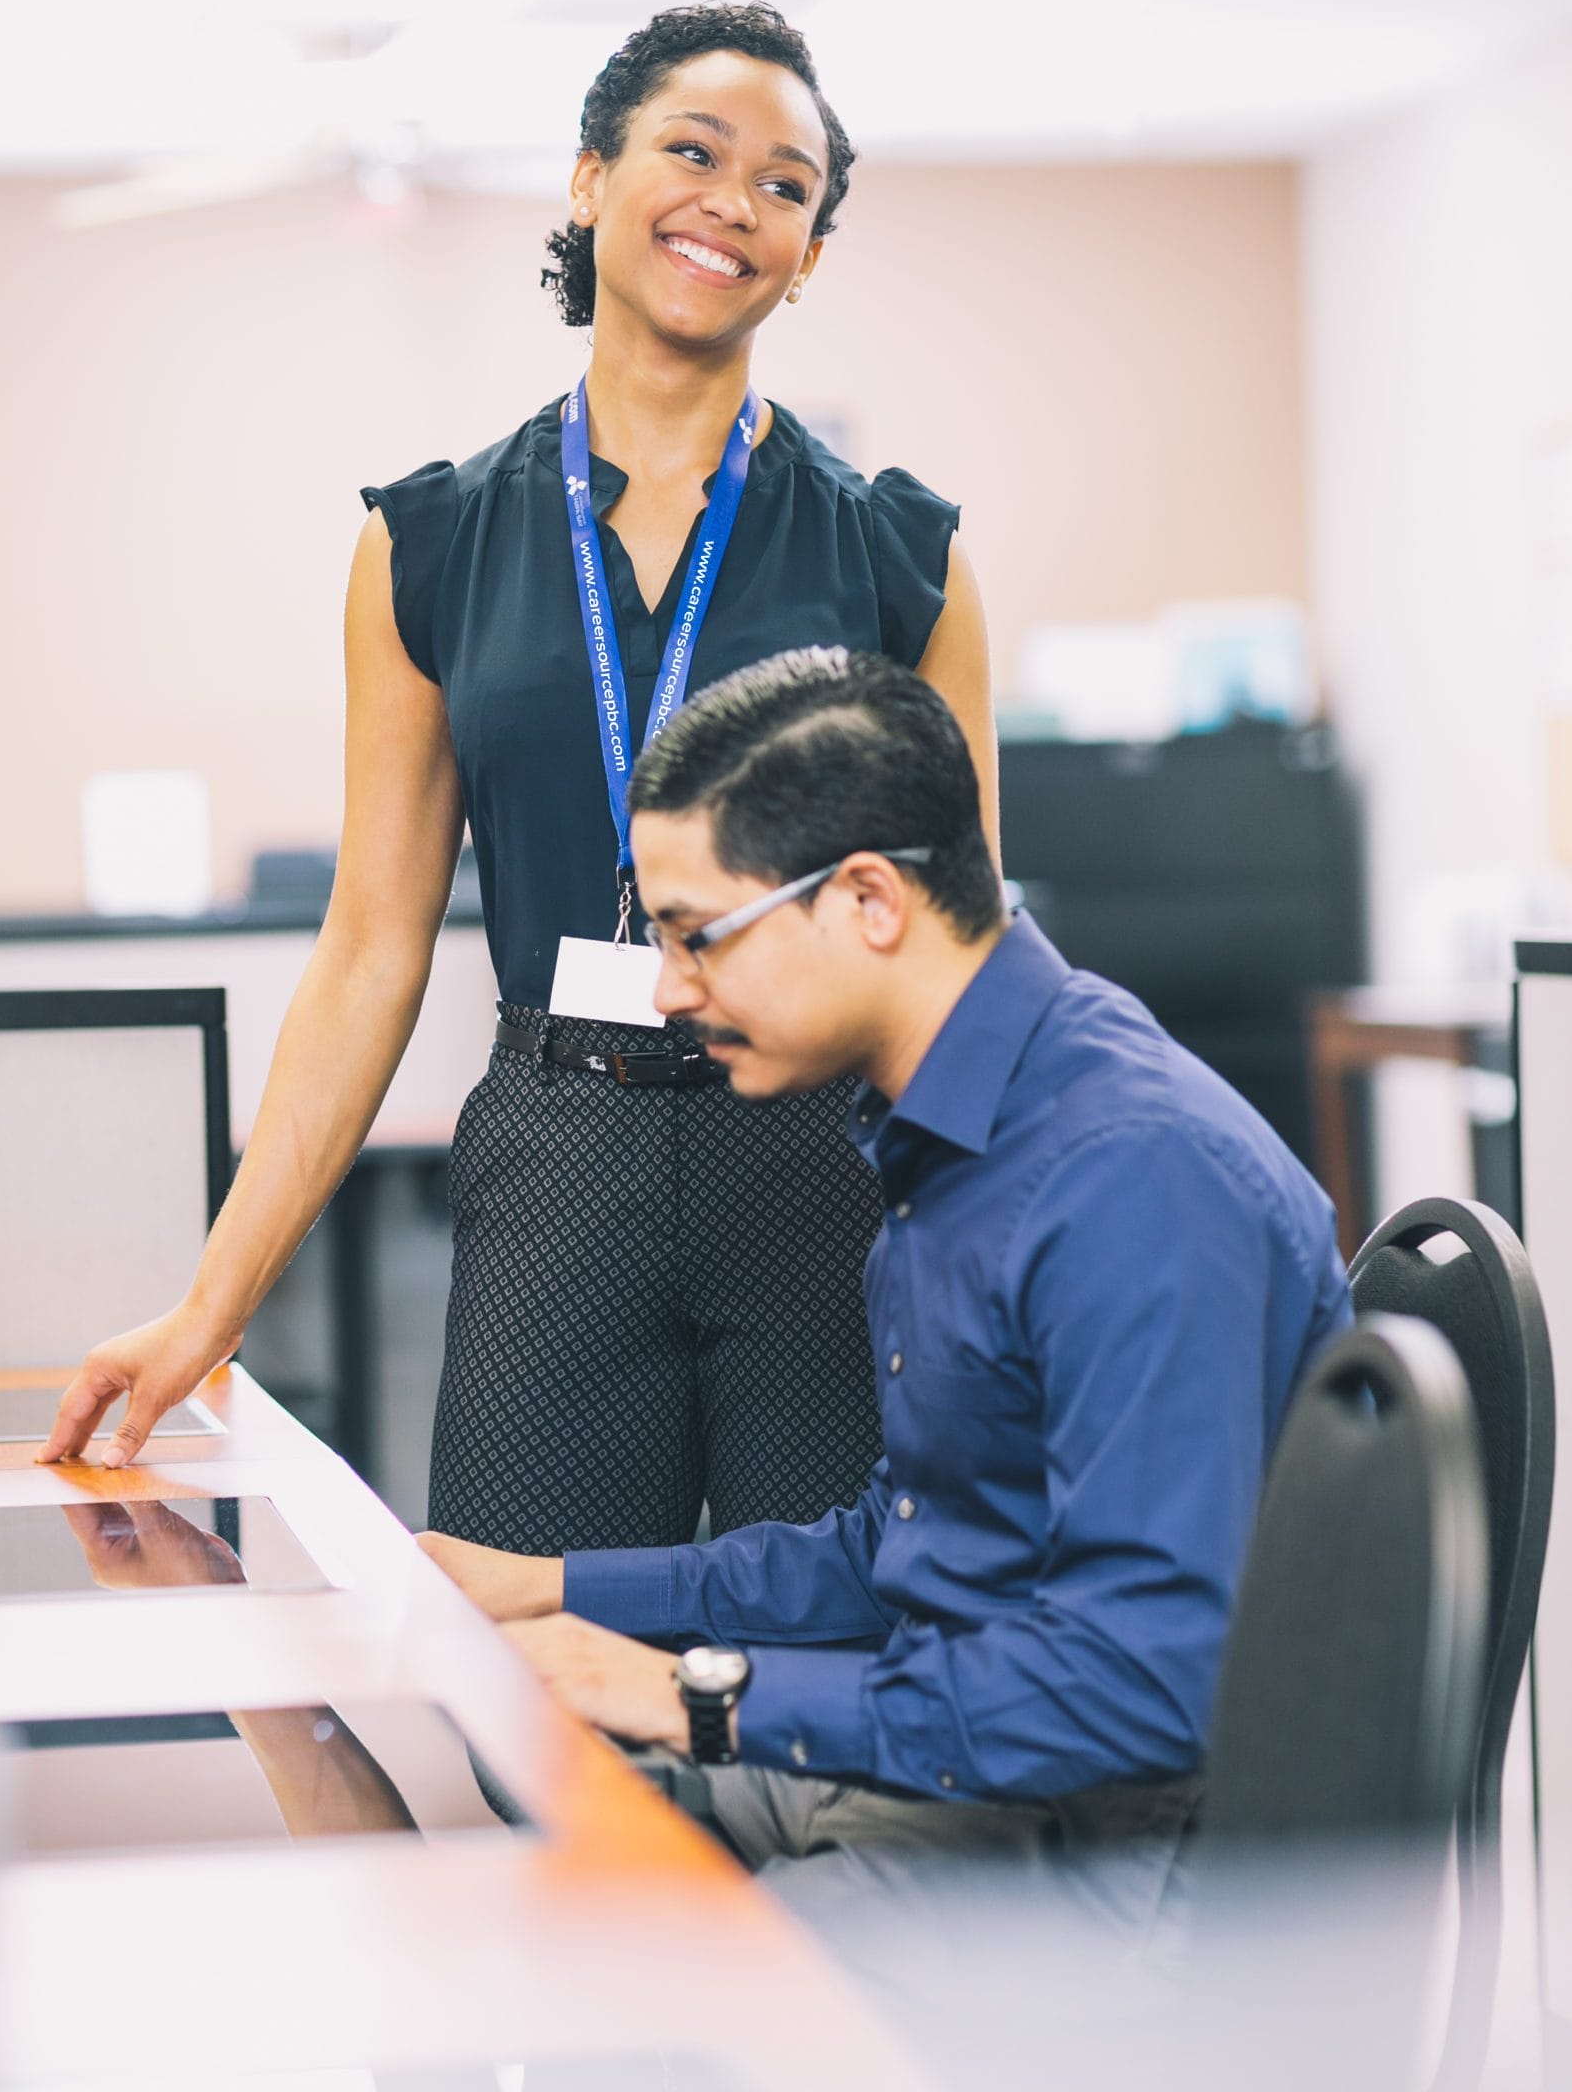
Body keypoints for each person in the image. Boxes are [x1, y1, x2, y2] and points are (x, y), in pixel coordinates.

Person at [39, 3, 996, 1571]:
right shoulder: (430, 546)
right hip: (562, 1149)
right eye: (691, 152)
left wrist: (1002, 1262)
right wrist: (211, 1310)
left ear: (808, 251)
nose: (731, 203)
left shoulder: (902, 557)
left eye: (783, 186)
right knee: (522, 1692)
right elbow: (367, 950)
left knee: (831, 1690)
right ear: (587, 179)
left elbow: (962, 963)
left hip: (820, 1169)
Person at [421, 647, 1351, 1901]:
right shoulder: (951, 1130)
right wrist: (548, 1586)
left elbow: (1142, 1682)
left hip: (1111, 1846)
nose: (665, 988)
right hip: (969, 1770)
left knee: (661, 1986)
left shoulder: (1127, 1175)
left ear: (866, 900)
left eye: (697, 936)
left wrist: (700, 1692)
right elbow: (898, 1546)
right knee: (539, 1842)